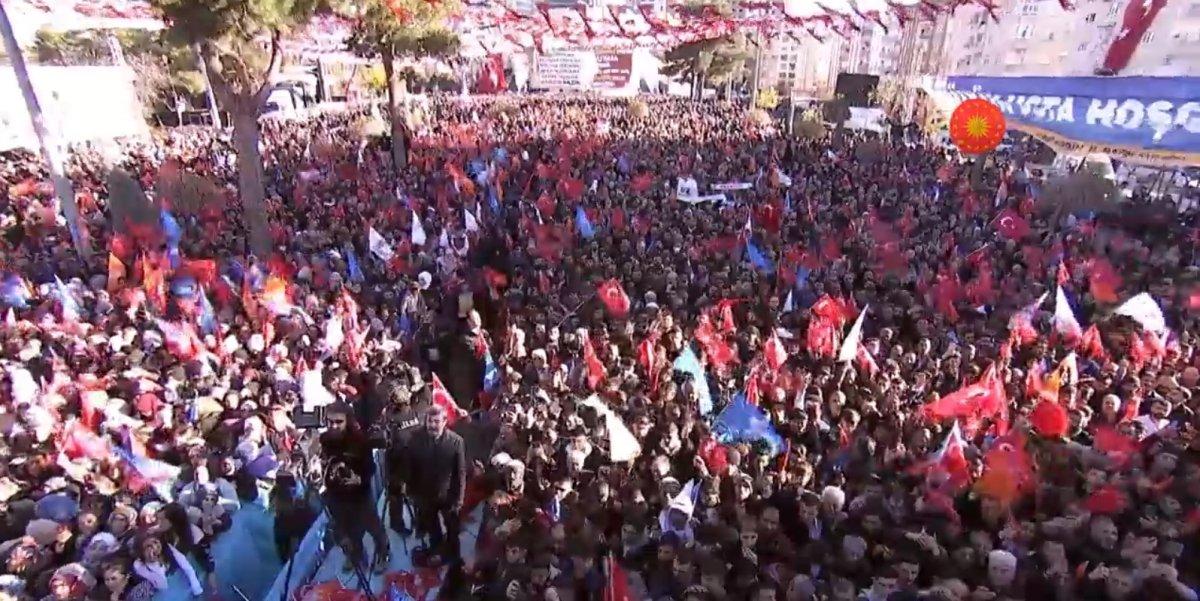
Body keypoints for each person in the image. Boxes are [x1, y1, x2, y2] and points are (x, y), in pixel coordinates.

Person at [318, 402, 389, 574]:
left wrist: (358, 478)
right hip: (336, 495)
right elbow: (324, 462)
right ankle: (356, 555)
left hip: (359, 494)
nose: (333, 426)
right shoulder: (324, 439)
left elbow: (371, 468)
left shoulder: (359, 441)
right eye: (330, 422)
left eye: (338, 422)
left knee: (373, 526)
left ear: (347, 421)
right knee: (348, 529)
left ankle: (383, 552)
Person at [398, 404, 466, 566]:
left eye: (436, 422)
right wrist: (410, 491)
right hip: (424, 495)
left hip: (448, 495)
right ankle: (437, 554)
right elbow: (409, 467)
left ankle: (454, 557)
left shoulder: (456, 442)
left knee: (452, 530)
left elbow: (460, 472)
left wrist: (459, 499)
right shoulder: (415, 439)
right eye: (430, 421)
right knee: (433, 528)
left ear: (444, 422)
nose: (432, 425)